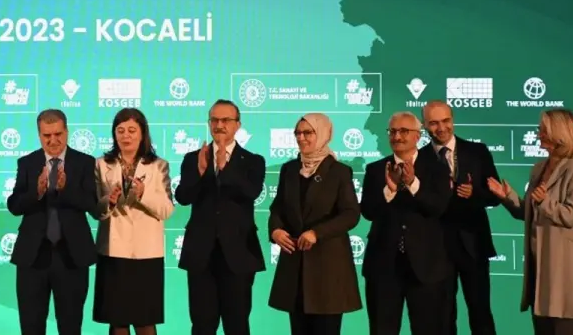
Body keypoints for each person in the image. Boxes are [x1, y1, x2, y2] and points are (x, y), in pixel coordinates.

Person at [174, 99, 266, 335]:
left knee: (237, 325)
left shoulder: (253, 161)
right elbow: (183, 196)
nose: (219, 125)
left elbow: (251, 192)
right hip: (200, 254)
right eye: (214, 120)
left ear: (237, 125)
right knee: (202, 325)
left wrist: (226, 168)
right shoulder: (193, 158)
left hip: (238, 254)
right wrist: (200, 172)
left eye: (226, 120)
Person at [268, 113, 361, 335]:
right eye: (298, 133)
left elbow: (350, 214)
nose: (301, 138)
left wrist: (316, 233)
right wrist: (275, 230)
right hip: (295, 268)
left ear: (322, 134)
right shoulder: (289, 169)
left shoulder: (339, 171)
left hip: (328, 270)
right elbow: (278, 208)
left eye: (307, 133)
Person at [360, 111, 452, 335]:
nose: (397, 137)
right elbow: (368, 211)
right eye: (392, 131)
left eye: (403, 131)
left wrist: (412, 183)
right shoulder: (376, 169)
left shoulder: (438, 168)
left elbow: (438, 208)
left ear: (418, 136)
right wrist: (389, 190)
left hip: (426, 267)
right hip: (383, 267)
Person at [7, 109, 98, 335]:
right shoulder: (27, 163)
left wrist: (67, 188)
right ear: (39, 135)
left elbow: (94, 205)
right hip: (32, 258)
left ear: (67, 132)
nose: (53, 140)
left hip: (72, 258)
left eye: (58, 134)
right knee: (31, 327)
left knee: (70, 327)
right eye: (47, 135)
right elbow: (14, 206)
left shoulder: (85, 163)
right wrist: (36, 191)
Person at [487, 108, 573, 335]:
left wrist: (546, 202)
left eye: (543, 130)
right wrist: (506, 197)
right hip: (539, 269)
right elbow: (528, 212)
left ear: (558, 133)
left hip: (564, 271)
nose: (538, 134)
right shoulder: (539, 168)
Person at [420, 100, 499, 335]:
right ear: (424, 125)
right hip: (436, 248)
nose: (441, 128)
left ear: (453, 120)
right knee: (442, 317)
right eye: (434, 123)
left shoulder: (478, 152)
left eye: (446, 121)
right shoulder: (419, 158)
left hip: (473, 245)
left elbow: (495, 196)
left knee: (481, 313)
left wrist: (475, 193)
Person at [93, 108, 174, 335]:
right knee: (117, 321)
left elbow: (167, 210)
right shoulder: (101, 164)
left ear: (142, 133)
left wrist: (143, 194)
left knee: (145, 322)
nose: (125, 136)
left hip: (146, 255)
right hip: (113, 251)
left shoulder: (158, 165)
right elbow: (96, 210)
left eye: (131, 130)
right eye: (120, 130)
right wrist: (108, 201)